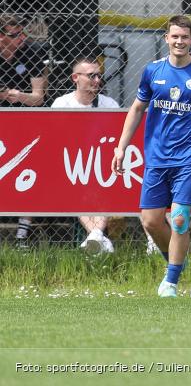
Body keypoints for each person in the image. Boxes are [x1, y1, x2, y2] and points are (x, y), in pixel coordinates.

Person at [112, 15, 191, 298]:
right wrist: (121, 146)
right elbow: (136, 109)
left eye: (184, 37)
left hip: (189, 158)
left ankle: (170, 282)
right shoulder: (152, 70)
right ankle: (176, 262)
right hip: (157, 158)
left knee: (180, 217)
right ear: (166, 39)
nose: (179, 41)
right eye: (175, 37)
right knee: (150, 221)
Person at [51, 56, 119, 254]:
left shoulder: (109, 104)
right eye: (91, 76)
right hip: (71, 164)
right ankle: (98, 235)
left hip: (101, 164)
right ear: (75, 78)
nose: (97, 80)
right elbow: (56, 140)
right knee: (77, 185)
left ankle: (95, 236)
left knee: (103, 183)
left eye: (99, 76)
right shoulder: (61, 103)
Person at [0, 14, 49, 247]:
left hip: (24, 118)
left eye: (22, 33)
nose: (21, 38)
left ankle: (22, 235)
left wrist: (19, 96)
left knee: (32, 164)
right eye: (14, 35)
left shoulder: (32, 52)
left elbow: (39, 98)